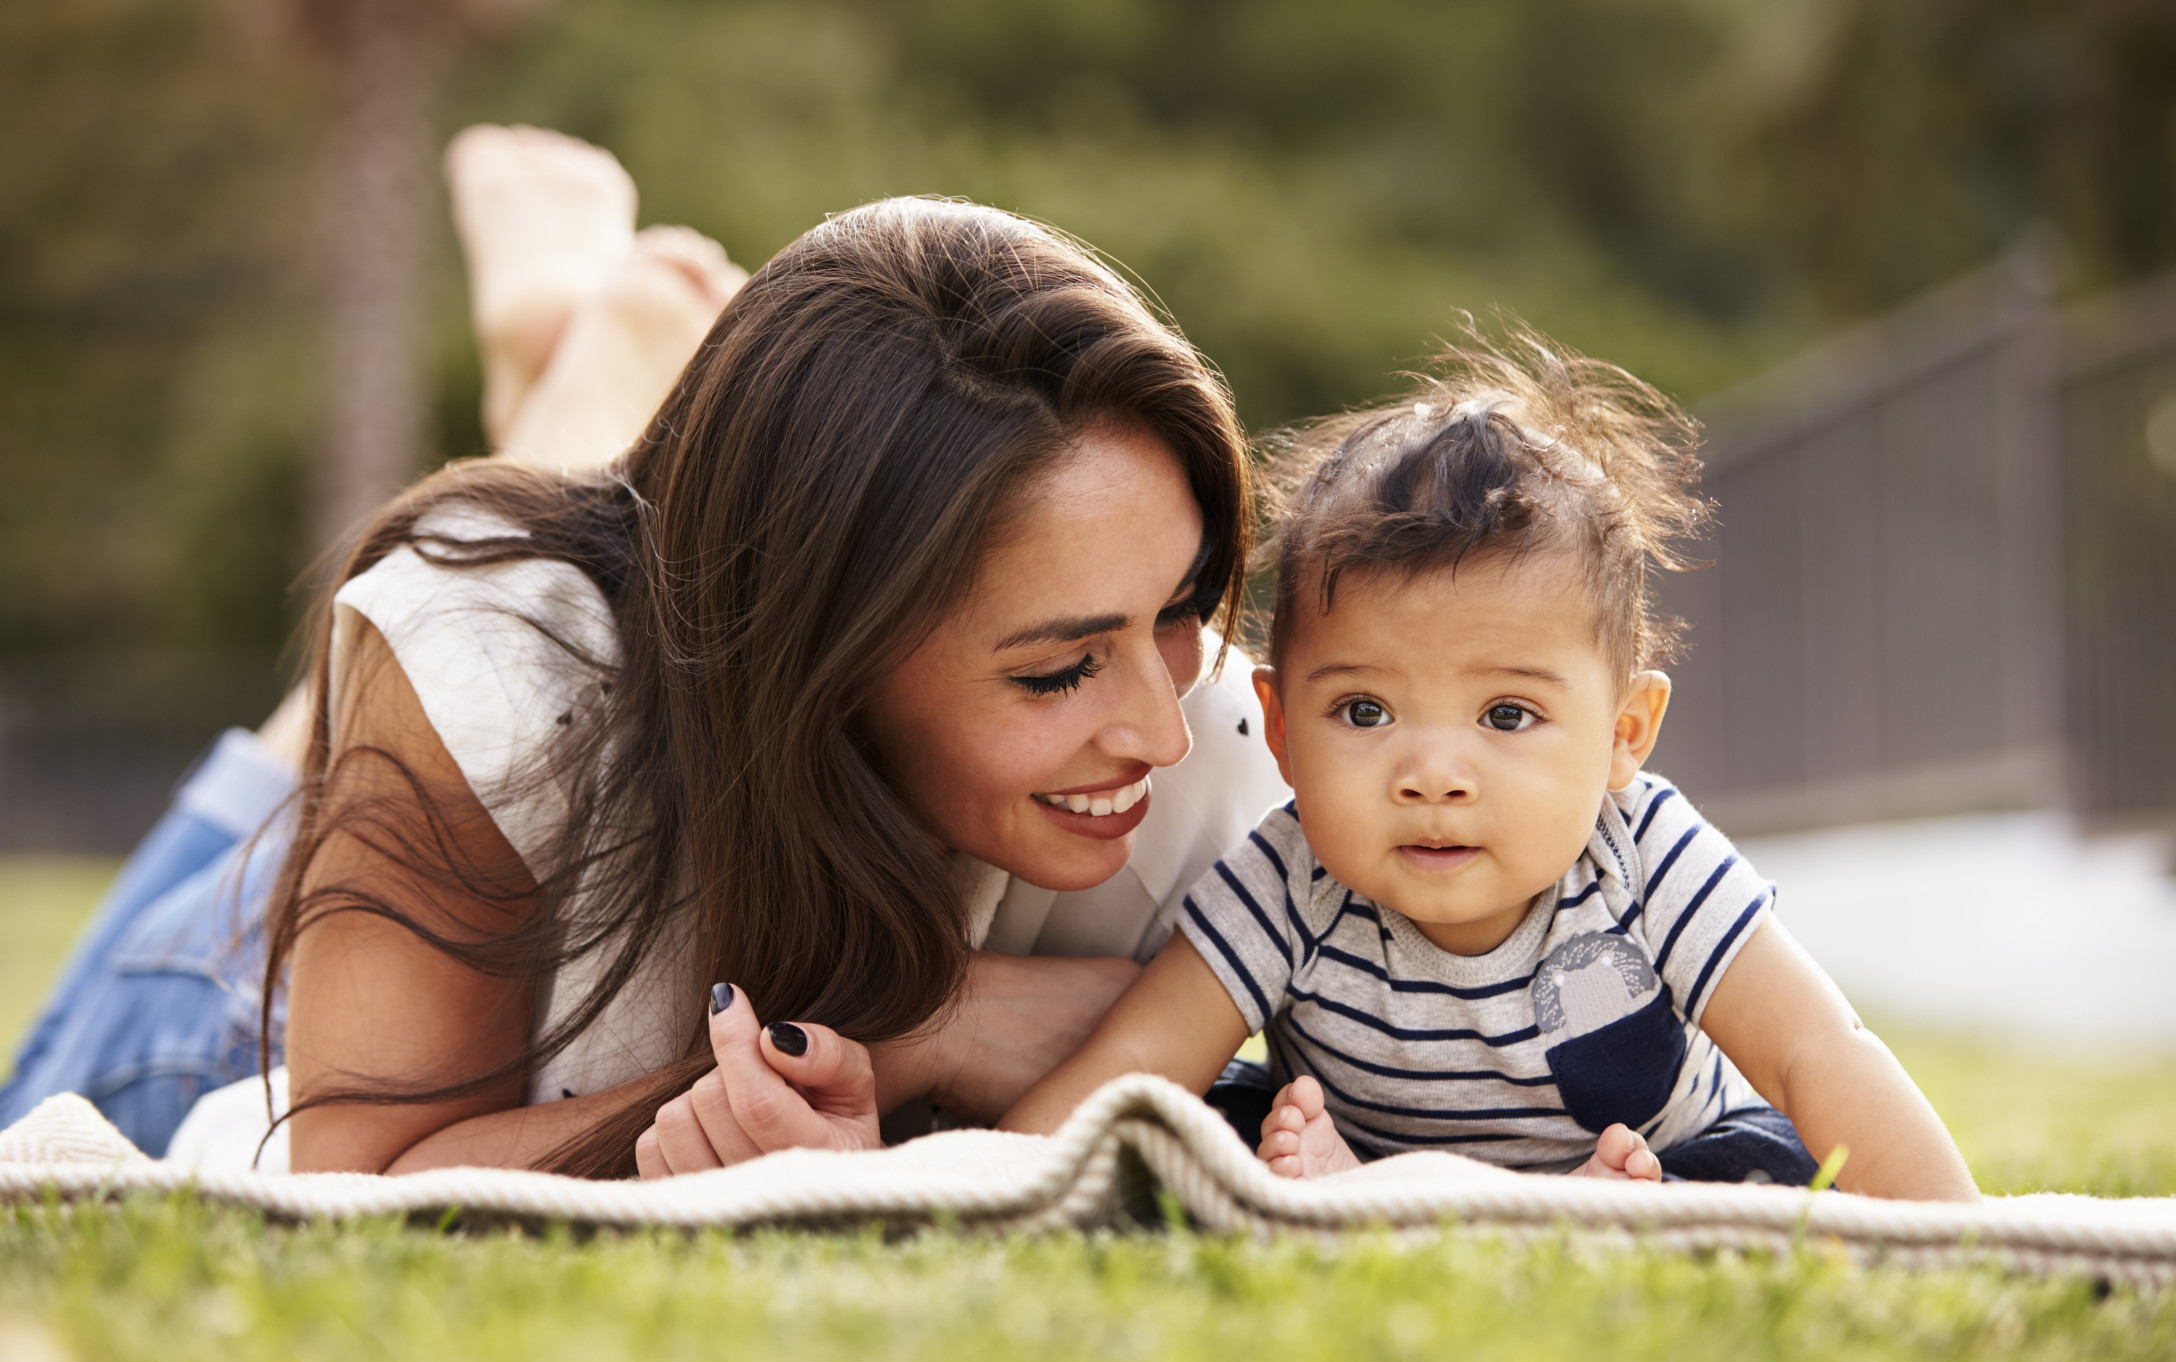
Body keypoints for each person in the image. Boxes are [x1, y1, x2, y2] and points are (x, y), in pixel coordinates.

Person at [0, 126, 1290, 1178]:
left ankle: (583, 416)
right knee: (434, 669)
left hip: (578, 730)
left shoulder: (1227, 743)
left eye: (1180, 605)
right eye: (1057, 668)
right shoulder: (501, 676)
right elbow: (354, 1175)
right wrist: (912, 1034)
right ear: (827, 642)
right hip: (242, 1034)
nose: (1161, 725)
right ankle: (572, 395)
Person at [997, 334, 1981, 1201]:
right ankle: (1376, 1190)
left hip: (1653, 1160)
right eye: (1364, 710)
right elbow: (1135, 1060)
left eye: (1506, 714)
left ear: (1622, 735)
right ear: (1283, 727)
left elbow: (1819, 1050)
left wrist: (1963, 1236)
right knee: (1193, 1116)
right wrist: (982, 1181)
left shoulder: (1640, 854)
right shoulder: (1289, 876)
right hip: (1357, 1142)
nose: (1432, 774)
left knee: (1772, 1159)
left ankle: (1585, 1208)